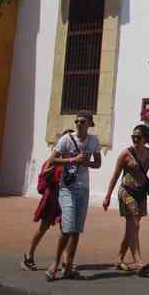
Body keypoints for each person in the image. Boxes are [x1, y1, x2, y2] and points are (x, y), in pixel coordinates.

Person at [45, 110, 101, 281]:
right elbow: (51, 161)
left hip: (83, 189)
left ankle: (69, 266)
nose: (78, 124)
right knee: (67, 227)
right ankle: (55, 263)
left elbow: (97, 163)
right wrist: (71, 160)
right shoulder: (66, 140)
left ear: (90, 124)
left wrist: (87, 162)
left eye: (83, 121)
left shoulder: (93, 141)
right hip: (67, 188)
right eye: (77, 121)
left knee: (76, 229)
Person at [102, 123, 149, 275]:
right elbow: (115, 176)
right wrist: (107, 196)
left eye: (138, 137)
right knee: (134, 224)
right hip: (126, 192)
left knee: (133, 228)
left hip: (141, 193)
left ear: (146, 139)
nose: (135, 139)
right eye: (133, 137)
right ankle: (138, 262)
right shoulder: (125, 154)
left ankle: (119, 258)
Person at [21, 145, 67, 271]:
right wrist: (47, 174)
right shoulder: (52, 162)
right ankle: (29, 255)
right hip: (52, 199)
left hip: (64, 200)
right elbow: (42, 181)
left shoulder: (69, 162)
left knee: (66, 230)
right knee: (43, 228)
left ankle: (65, 261)